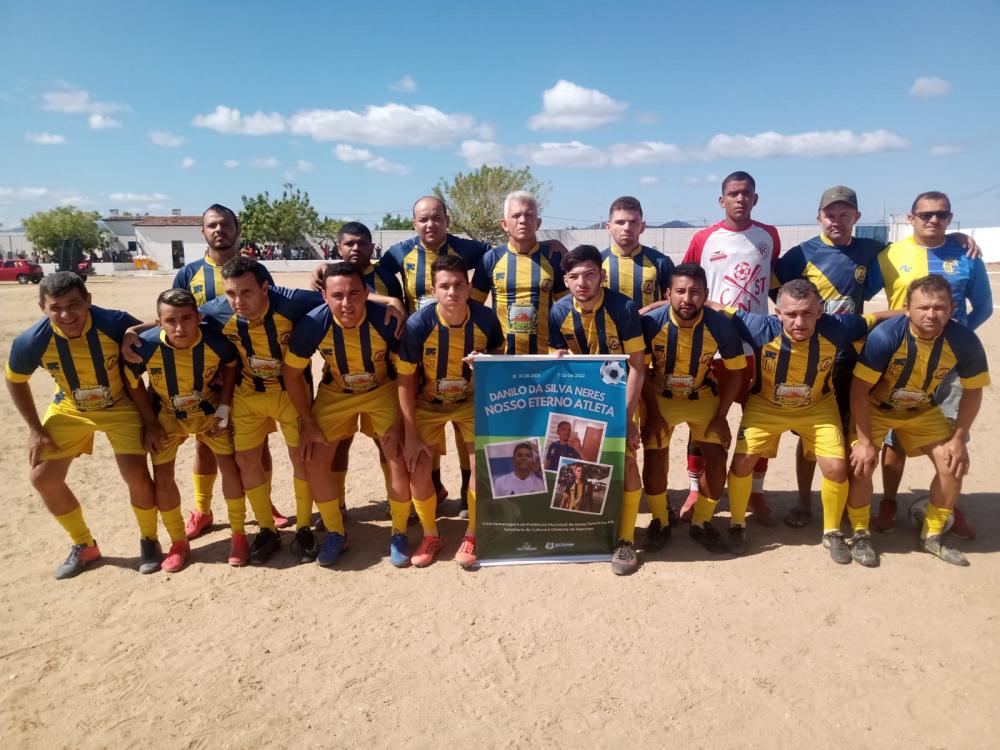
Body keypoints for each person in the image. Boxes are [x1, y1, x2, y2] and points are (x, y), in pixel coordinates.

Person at [773, 186, 981, 529]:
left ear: (856, 217)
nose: (836, 221)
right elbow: (779, 293)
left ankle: (843, 502)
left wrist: (952, 235)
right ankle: (803, 502)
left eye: (844, 215)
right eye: (830, 214)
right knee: (811, 436)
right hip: (813, 358)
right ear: (819, 217)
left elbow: (914, 245)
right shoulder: (800, 254)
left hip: (854, 356)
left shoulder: (872, 250)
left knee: (848, 432)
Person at [705, 279, 899, 560]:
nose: (799, 322)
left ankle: (832, 532)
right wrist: (658, 306)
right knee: (742, 462)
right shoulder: (758, 327)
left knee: (836, 468)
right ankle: (737, 524)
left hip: (818, 409)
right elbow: (714, 306)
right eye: (791, 314)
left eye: (807, 313)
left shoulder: (838, 327)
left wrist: (913, 312)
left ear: (820, 311)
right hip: (766, 407)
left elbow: (876, 317)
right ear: (778, 314)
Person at [5, 272, 158, 578]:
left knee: (136, 475)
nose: (66, 314)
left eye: (73, 304)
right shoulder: (30, 341)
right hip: (71, 409)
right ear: (42, 308)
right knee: (43, 478)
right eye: (56, 307)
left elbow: (160, 324)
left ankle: (149, 540)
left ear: (88, 301)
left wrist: (133, 330)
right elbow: (15, 380)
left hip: (120, 405)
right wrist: (36, 429)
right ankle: (84, 545)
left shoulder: (113, 322)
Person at [872, 191, 993, 537]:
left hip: (951, 366)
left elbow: (982, 307)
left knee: (954, 435)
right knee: (895, 438)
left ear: (950, 218)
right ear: (910, 219)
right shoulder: (890, 255)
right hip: (902, 360)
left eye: (941, 215)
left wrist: (956, 342)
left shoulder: (967, 255)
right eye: (925, 215)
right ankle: (889, 502)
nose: (933, 221)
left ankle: (949, 505)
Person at [847, 275, 989, 566]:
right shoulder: (886, 336)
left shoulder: (964, 340)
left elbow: (973, 394)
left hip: (922, 410)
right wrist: (863, 442)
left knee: (953, 464)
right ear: (906, 308)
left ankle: (932, 534)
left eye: (939, 307)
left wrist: (959, 439)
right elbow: (859, 391)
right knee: (862, 463)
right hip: (876, 407)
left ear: (951, 308)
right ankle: (860, 532)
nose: (931, 314)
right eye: (923, 307)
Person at [284, 262, 413, 567]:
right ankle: (335, 532)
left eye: (354, 293)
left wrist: (398, 423)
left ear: (367, 293)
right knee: (313, 456)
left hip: (382, 389)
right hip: (336, 392)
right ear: (325, 297)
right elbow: (291, 375)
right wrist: (309, 422)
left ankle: (399, 531)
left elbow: (406, 374)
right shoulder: (314, 324)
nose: (346, 303)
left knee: (395, 450)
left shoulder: (386, 320)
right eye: (337, 295)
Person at [167, 204, 284, 538]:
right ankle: (202, 510)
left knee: (257, 443)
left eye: (225, 225)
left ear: (238, 229)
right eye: (212, 225)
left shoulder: (255, 270)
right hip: (205, 375)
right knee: (207, 441)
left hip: (248, 372)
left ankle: (266, 504)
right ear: (203, 232)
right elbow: (173, 317)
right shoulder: (188, 274)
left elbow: (272, 313)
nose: (219, 230)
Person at [199, 257, 324, 565]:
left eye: (246, 292)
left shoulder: (292, 302)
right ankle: (266, 529)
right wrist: (138, 331)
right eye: (231, 293)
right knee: (245, 459)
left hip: (290, 394)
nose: (237, 301)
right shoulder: (217, 310)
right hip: (247, 395)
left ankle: (305, 527)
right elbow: (178, 317)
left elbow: (339, 294)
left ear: (265, 288)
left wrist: (389, 301)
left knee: (302, 457)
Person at [378, 196, 490, 514]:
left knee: (462, 419)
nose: (430, 224)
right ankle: (435, 488)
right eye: (423, 219)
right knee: (428, 417)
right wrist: (391, 302)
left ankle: (468, 489)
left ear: (447, 220)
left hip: (462, 341)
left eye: (436, 217)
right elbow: (364, 277)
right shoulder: (399, 253)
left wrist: (549, 243)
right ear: (414, 223)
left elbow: (500, 255)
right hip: (420, 349)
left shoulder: (468, 250)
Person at [682, 172, 780, 525]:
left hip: (756, 350)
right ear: (721, 200)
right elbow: (687, 283)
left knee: (759, 424)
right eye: (733, 194)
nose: (740, 199)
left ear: (756, 199)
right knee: (703, 422)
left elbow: (774, 285)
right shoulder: (703, 238)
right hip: (712, 350)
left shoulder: (769, 236)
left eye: (747, 194)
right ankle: (695, 488)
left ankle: (757, 491)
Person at [124, 289, 245, 569]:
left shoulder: (217, 342)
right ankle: (178, 542)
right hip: (166, 416)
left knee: (230, 465)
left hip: (209, 412)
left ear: (198, 317)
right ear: (158, 322)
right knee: (163, 474)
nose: (180, 327)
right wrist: (150, 423)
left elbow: (230, 365)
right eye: (171, 320)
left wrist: (224, 407)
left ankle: (239, 535)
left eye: (187, 318)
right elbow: (132, 383)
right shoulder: (145, 346)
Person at [397, 255, 504, 569]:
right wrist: (410, 433)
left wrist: (485, 359)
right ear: (433, 289)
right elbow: (404, 380)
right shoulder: (419, 324)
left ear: (469, 286)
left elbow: (498, 355)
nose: (452, 292)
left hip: (471, 403)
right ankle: (431, 534)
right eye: (444, 286)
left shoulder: (486, 319)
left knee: (480, 464)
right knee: (417, 465)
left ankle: (472, 533)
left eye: (459, 284)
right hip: (429, 404)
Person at [548, 245, 645, 575]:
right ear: (566, 280)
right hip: (581, 399)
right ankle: (583, 532)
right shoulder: (558, 312)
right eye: (574, 277)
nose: (582, 283)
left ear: (602, 276)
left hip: (620, 402)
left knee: (627, 463)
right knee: (575, 466)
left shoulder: (624, 308)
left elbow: (637, 367)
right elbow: (555, 361)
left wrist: (628, 418)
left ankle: (626, 541)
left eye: (590, 275)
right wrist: (557, 360)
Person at [640, 263, 746, 554]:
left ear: (705, 294)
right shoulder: (651, 323)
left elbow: (736, 372)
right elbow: (640, 369)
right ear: (667, 293)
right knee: (654, 456)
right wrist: (654, 414)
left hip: (701, 395)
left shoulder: (720, 324)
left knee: (716, 455)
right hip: (659, 396)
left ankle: (702, 522)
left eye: (695, 292)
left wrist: (721, 417)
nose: (688, 298)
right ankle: (660, 520)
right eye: (680, 291)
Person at [326, 222, 405, 521]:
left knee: (386, 441)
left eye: (362, 243)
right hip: (340, 377)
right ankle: (338, 504)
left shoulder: (386, 277)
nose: (355, 248)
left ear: (372, 247)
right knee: (339, 443)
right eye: (348, 243)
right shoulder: (326, 276)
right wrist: (384, 299)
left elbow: (400, 318)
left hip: (381, 377)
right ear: (339, 247)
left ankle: (394, 502)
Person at [471, 190, 568, 355]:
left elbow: (566, 309)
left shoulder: (553, 258)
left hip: (546, 357)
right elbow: (473, 308)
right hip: (502, 358)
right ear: (504, 224)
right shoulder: (491, 259)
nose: (523, 220)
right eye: (516, 216)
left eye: (529, 215)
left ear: (538, 223)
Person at [602, 195, 674, 307]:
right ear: (608, 227)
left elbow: (675, 301)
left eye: (633, 222)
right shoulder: (597, 262)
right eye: (620, 222)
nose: (626, 227)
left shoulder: (661, 262)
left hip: (649, 325)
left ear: (642, 226)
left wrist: (649, 309)